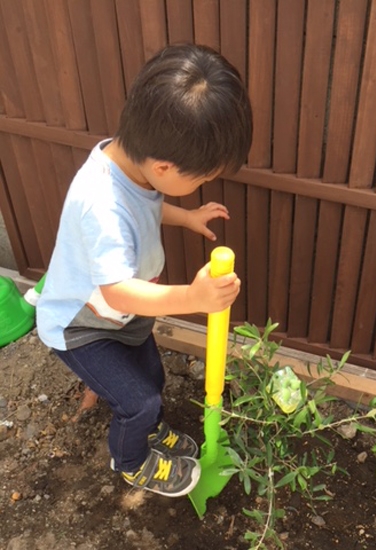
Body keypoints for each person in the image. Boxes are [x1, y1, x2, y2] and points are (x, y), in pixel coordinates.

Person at [36, 44, 253, 497]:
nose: (203, 185)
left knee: (151, 377)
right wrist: (192, 299)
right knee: (138, 401)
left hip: (123, 318)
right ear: (163, 166)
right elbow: (116, 292)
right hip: (83, 326)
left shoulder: (134, 166)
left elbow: (147, 206)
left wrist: (186, 216)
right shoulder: (100, 204)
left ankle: (148, 431)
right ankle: (131, 459)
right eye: (199, 179)